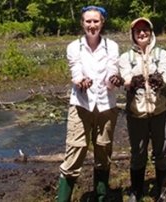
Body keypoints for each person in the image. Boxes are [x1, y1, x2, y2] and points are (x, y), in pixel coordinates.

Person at [56, 5, 123, 202]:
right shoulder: (73, 47)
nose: (92, 25)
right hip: (80, 105)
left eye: (96, 21)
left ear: (102, 23)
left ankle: (100, 196)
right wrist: (80, 81)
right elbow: (76, 70)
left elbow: (112, 72)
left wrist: (114, 80)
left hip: (106, 105)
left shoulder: (112, 46)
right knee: (75, 151)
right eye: (88, 21)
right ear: (82, 23)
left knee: (103, 150)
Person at [118, 17, 166, 202]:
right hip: (136, 113)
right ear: (132, 34)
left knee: (162, 152)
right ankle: (136, 192)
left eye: (145, 29)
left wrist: (160, 80)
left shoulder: (162, 54)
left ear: (151, 32)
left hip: (160, 111)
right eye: (138, 30)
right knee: (138, 153)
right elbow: (125, 75)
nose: (142, 33)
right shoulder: (125, 57)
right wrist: (130, 81)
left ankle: (162, 191)